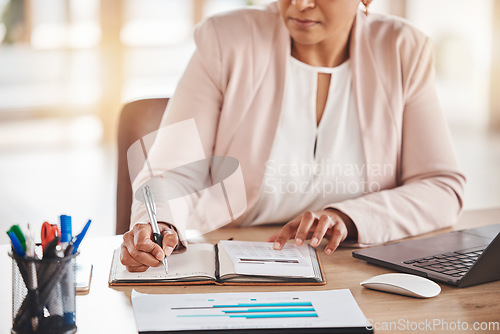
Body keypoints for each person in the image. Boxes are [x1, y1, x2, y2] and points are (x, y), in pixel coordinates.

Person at [120, 0, 466, 272]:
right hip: (238, 265)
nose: (300, 3)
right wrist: (159, 221)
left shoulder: (402, 49)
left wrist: (346, 217)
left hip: (354, 268)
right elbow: (173, 171)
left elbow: (440, 186)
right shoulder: (226, 40)